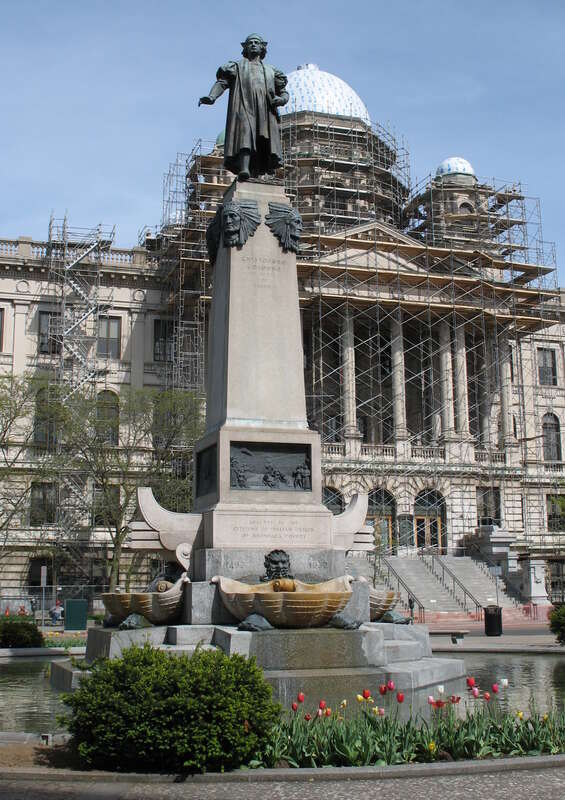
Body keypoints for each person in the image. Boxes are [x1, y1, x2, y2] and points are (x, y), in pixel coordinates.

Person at [199, 34, 288, 180]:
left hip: (265, 110)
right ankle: (244, 168)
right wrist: (211, 97)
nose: (253, 44)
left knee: (262, 139)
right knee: (245, 133)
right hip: (244, 105)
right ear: (245, 48)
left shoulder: (271, 70)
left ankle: (259, 172)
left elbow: (283, 92)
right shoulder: (237, 66)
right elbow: (222, 83)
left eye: (256, 42)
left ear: (262, 47)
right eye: (250, 43)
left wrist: (282, 99)